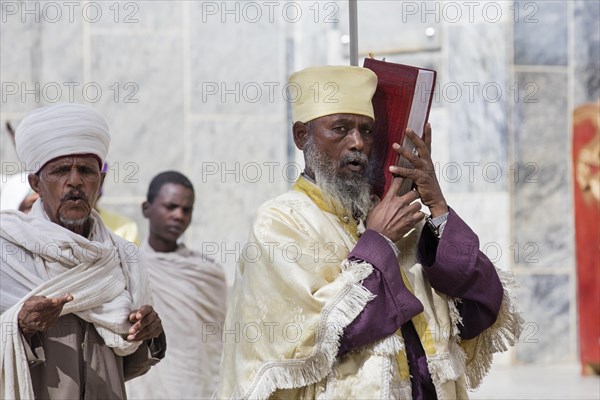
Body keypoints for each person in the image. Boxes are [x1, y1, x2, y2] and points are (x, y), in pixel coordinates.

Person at [217, 66, 522, 399]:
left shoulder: (387, 215)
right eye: (340, 129)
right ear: (302, 135)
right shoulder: (280, 221)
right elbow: (318, 336)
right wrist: (378, 243)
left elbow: (480, 301)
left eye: (366, 130)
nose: (358, 143)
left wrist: (437, 207)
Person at [0, 103, 165, 399]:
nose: (75, 181)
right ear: (35, 182)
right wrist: (19, 325)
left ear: (99, 182)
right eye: (61, 170)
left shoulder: (125, 258)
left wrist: (149, 335)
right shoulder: (7, 253)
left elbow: (128, 363)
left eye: (86, 171)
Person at [126, 171, 227, 399]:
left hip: (197, 384)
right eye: (170, 207)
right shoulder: (129, 267)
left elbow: (216, 341)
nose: (179, 215)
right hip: (146, 385)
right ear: (146, 209)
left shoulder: (207, 273)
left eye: (186, 209)